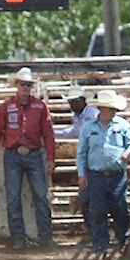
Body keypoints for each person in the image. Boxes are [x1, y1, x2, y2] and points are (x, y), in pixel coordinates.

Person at [0, 66, 57, 250]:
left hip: (33, 153)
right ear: (17, 85)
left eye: (28, 85)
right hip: (13, 154)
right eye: (23, 84)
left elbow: (48, 134)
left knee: (41, 195)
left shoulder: (40, 107)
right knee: (13, 197)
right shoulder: (6, 107)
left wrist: (51, 158)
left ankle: (45, 237)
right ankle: (19, 237)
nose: (26, 87)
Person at [76, 89, 130, 260]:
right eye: (110, 109)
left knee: (120, 209)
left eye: (114, 109)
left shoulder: (123, 126)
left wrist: (127, 153)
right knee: (97, 211)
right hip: (96, 174)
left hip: (117, 174)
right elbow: (81, 153)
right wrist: (82, 174)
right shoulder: (87, 128)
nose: (113, 112)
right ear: (102, 109)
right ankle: (101, 244)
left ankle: (122, 238)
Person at [54, 85, 99, 235]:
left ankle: (95, 230)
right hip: (84, 159)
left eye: (75, 101)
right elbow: (74, 131)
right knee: (86, 198)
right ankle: (92, 230)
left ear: (83, 100)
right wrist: (55, 133)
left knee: (93, 197)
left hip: (93, 159)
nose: (72, 105)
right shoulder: (78, 116)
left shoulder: (92, 115)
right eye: (70, 101)